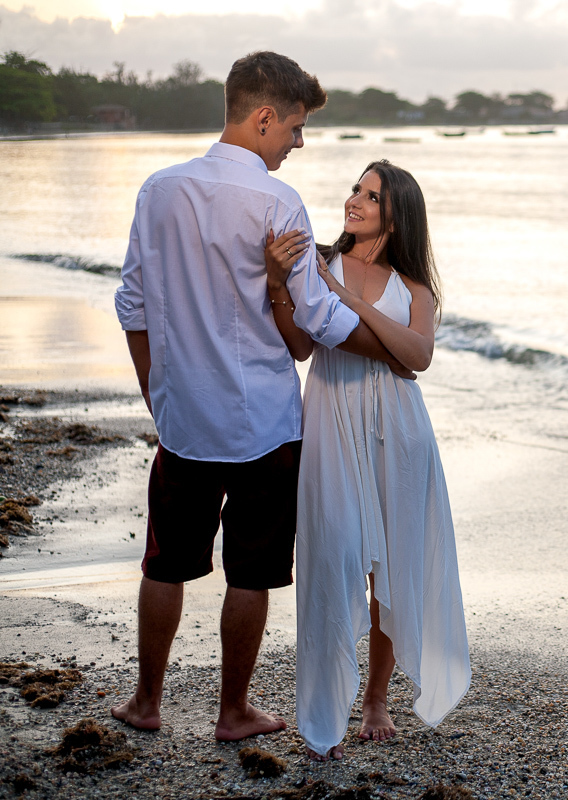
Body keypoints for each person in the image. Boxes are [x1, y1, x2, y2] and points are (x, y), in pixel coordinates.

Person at [111, 51, 408, 741]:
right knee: (251, 570)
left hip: (183, 421)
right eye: (296, 128)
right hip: (267, 427)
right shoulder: (278, 202)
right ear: (265, 117)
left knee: (165, 561)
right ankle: (233, 712)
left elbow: (132, 305)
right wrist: (400, 349)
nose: (299, 143)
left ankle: (146, 703)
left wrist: (156, 391)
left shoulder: (159, 189)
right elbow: (319, 320)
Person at [264, 160, 470, 761]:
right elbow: (303, 344)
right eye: (355, 187)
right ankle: (325, 702)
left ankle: (377, 698)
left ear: (395, 212)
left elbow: (421, 357)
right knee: (331, 555)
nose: (354, 198)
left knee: (391, 566)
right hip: (330, 414)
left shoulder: (415, 289)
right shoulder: (315, 260)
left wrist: (349, 303)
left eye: (370, 194)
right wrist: (282, 284)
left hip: (400, 430)